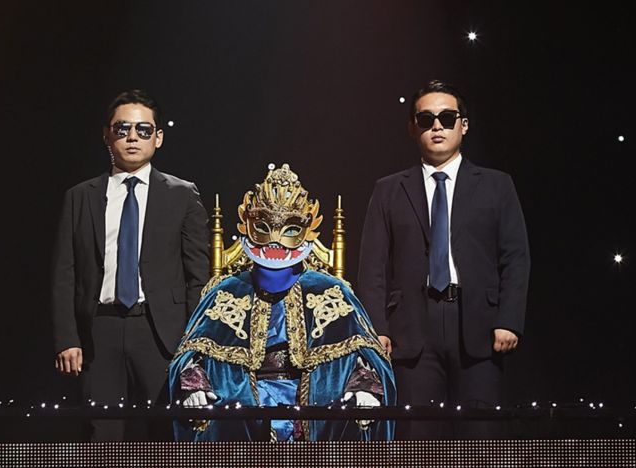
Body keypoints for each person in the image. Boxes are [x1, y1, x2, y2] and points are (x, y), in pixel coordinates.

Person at [169, 163, 395, 441]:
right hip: (242, 408)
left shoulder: (332, 291)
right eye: (264, 227)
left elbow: (369, 357)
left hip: (316, 406)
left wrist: (365, 385)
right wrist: (195, 383)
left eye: (288, 229)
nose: (275, 241)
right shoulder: (224, 292)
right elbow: (189, 355)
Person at [357, 80, 530, 439]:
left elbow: (516, 257)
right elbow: (372, 267)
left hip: (480, 328)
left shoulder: (497, 185)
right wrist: (377, 330)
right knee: (417, 440)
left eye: (447, 118)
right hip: (410, 331)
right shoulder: (388, 190)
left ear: (463, 125)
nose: (437, 126)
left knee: (481, 440)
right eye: (426, 119)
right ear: (412, 127)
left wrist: (509, 320)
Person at [51, 89, 210, 441]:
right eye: (122, 129)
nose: (133, 137)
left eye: (143, 129)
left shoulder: (182, 194)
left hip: (161, 333)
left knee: (166, 432)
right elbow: (65, 273)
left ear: (158, 137)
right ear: (107, 135)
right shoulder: (80, 197)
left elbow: (198, 277)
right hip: (98, 330)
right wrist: (67, 338)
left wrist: (195, 344)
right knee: (101, 433)